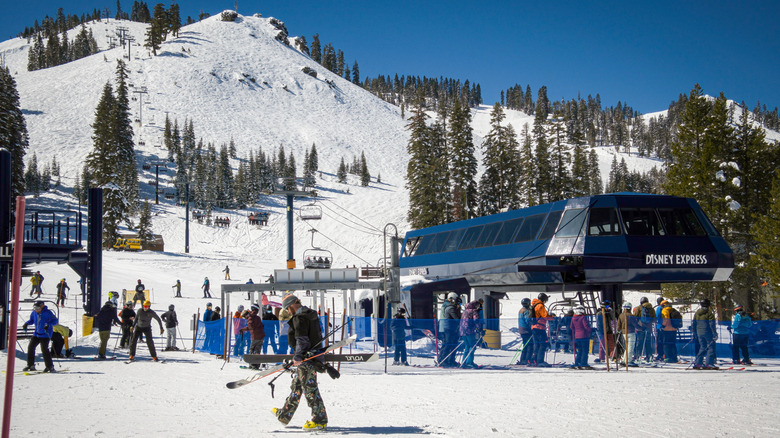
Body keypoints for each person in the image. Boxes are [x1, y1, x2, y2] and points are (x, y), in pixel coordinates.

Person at [272, 294, 328, 430]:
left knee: (310, 390)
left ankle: (319, 420)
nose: (287, 312)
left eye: (287, 309)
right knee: (297, 387)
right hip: (311, 356)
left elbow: (302, 340)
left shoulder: (300, 318)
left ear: (291, 305)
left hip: (306, 359)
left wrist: (297, 356)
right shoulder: (310, 315)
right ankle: (284, 414)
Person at [23, 301, 58, 372]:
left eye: (38, 308)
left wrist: (48, 325)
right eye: (35, 308)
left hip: (45, 334)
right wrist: (26, 323)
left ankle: (50, 366)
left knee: (44, 350)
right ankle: (30, 365)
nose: (36, 309)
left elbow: (55, 321)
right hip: (36, 334)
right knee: (31, 348)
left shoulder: (48, 313)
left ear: (42, 307)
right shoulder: (34, 313)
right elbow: (31, 320)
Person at [438, 292, 461, 367]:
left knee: (449, 344)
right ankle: (444, 360)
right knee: (448, 344)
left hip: (448, 327)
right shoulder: (450, 307)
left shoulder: (447, 306)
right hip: (449, 328)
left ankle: (447, 360)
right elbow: (456, 318)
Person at [693, 299, 718, 369]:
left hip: (699, 332)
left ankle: (698, 362)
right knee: (711, 347)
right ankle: (709, 363)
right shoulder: (709, 313)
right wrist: (714, 333)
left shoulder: (697, 313)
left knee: (702, 347)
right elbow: (712, 324)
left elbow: (694, 323)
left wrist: (694, 332)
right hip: (708, 332)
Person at [459, 299, 483, 368]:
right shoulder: (474, 311)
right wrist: (480, 329)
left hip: (462, 331)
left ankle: (464, 361)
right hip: (469, 330)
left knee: (467, 346)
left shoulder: (465, 311)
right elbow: (476, 320)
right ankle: (469, 362)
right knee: (472, 346)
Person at [530, 293, 551, 367]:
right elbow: (545, 316)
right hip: (540, 327)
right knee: (543, 344)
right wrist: (553, 317)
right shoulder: (540, 305)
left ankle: (534, 360)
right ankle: (540, 361)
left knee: (537, 344)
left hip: (534, 327)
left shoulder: (535, 305)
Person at [632, 297, 655, 362]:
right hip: (649, 328)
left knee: (639, 342)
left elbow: (634, 316)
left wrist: (636, 324)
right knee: (648, 342)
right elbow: (654, 318)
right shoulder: (651, 308)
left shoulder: (639, 308)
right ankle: (649, 356)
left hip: (640, 327)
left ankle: (638, 356)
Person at [571, 305, 593, 369]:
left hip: (577, 336)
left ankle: (577, 362)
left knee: (580, 350)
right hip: (584, 336)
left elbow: (571, 327)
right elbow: (586, 327)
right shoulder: (583, 317)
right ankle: (584, 363)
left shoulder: (573, 318)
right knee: (585, 350)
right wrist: (591, 329)